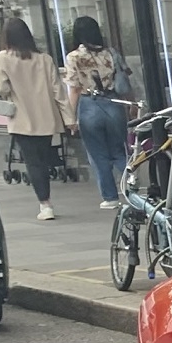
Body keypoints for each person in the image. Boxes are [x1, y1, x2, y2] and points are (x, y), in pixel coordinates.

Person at [0, 17, 66, 221]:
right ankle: (46, 201)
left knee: (33, 163)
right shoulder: (44, 59)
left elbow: (1, 88)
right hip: (46, 117)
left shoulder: (1, 58)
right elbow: (58, 90)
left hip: (21, 118)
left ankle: (45, 204)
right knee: (43, 159)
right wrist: (69, 117)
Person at [63, 17, 130, 209]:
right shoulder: (111, 53)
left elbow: (74, 89)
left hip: (88, 105)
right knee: (119, 150)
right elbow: (125, 79)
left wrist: (70, 117)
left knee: (98, 153)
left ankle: (110, 197)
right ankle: (132, 190)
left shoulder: (73, 57)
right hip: (113, 102)